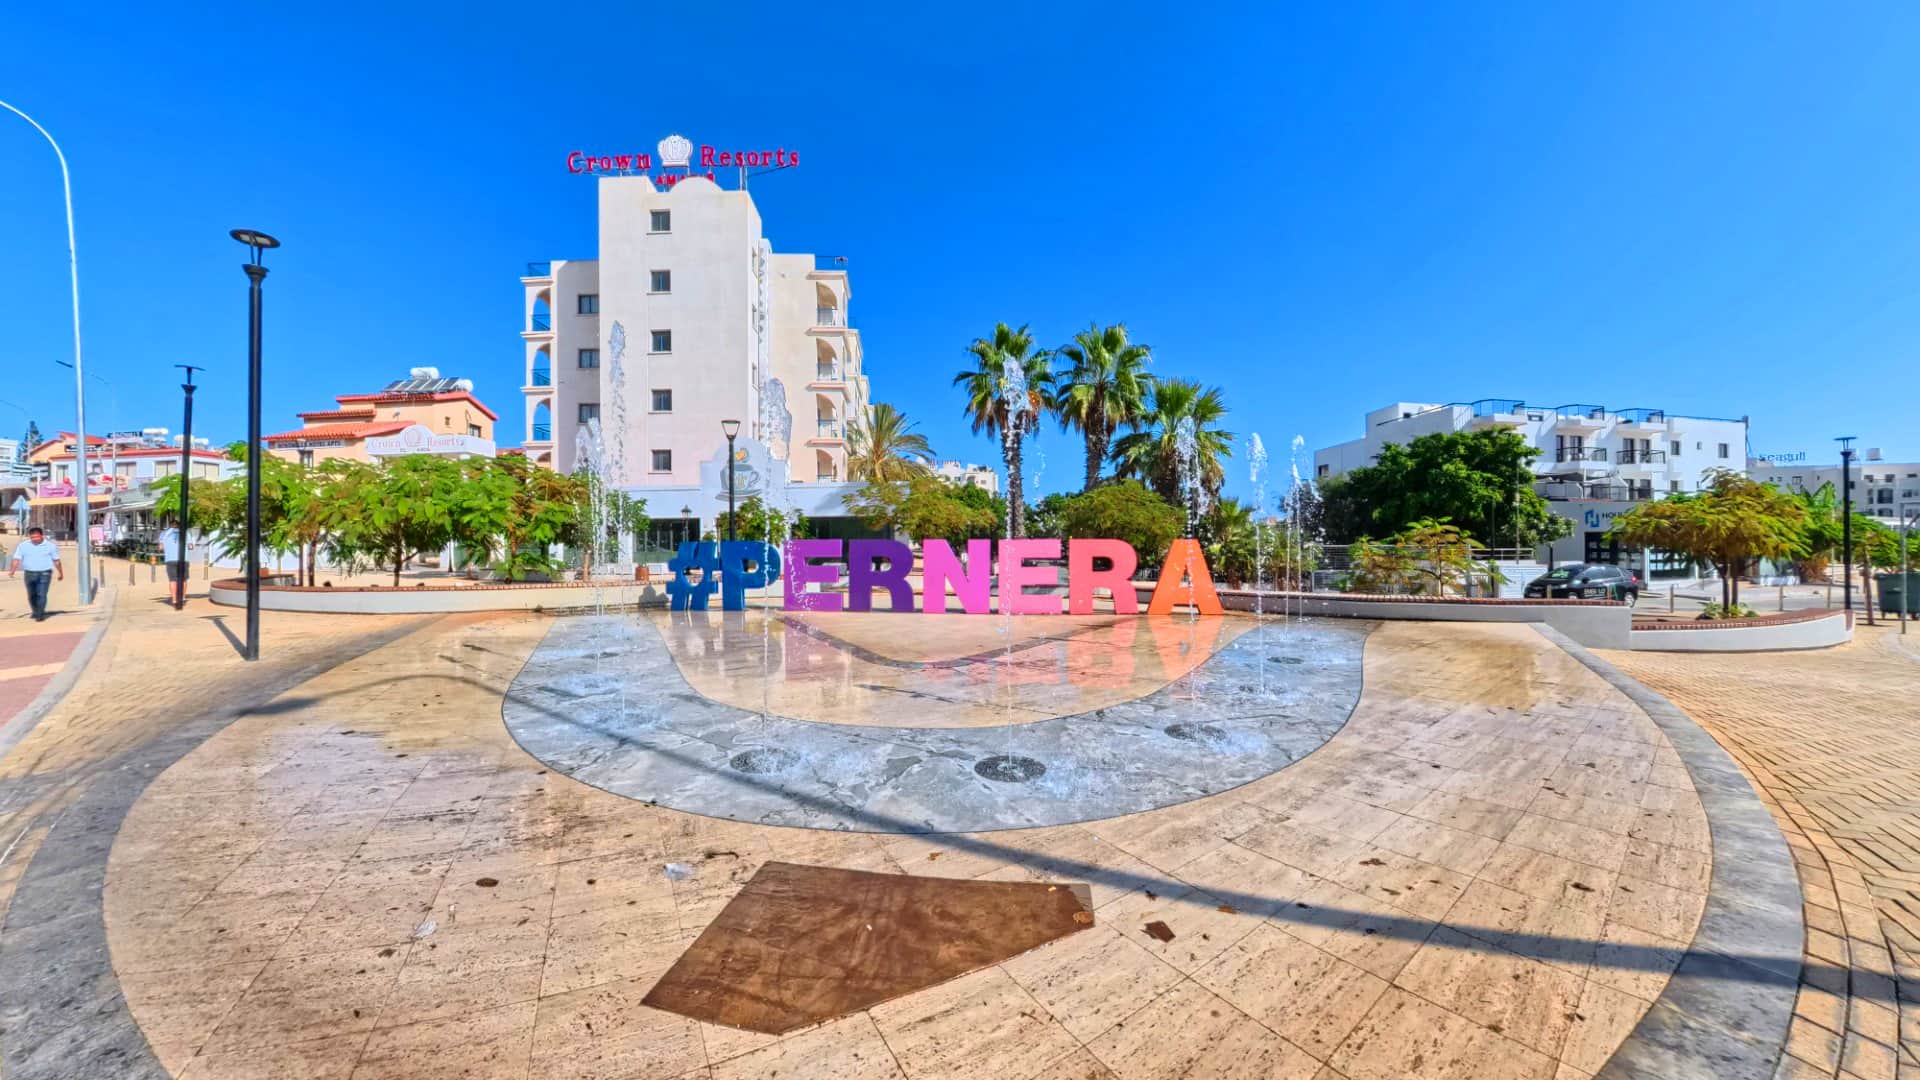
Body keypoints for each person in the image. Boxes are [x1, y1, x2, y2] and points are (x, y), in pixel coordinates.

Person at [8, 526, 64, 622]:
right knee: (32, 595)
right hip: (29, 573)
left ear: (42, 536)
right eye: (32, 537)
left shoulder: (50, 546)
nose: (35, 539)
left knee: (42, 594)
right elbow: (16, 559)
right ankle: (35, 611)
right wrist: (12, 570)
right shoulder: (23, 545)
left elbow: (57, 561)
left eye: (37, 537)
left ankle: (40, 614)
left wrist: (60, 573)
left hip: (45, 573)